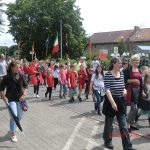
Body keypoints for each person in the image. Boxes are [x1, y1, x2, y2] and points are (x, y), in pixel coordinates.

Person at [102, 57, 136, 150]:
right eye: (119, 63)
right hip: (110, 102)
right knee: (109, 124)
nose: (121, 64)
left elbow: (123, 86)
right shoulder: (108, 74)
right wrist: (113, 103)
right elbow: (107, 90)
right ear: (113, 63)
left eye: (121, 63)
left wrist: (124, 90)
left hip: (120, 101)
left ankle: (127, 147)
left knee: (124, 126)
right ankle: (107, 141)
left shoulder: (121, 74)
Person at [0, 61, 28, 142]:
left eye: (19, 67)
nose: (18, 69)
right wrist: (4, 97)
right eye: (16, 67)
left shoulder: (21, 75)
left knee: (19, 116)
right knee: (14, 116)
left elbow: (25, 86)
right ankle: (13, 134)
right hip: (10, 99)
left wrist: (24, 94)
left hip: (20, 99)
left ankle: (13, 128)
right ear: (12, 67)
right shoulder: (6, 77)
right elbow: (1, 89)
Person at [124, 54, 142, 131]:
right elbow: (124, 80)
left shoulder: (139, 70)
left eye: (138, 61)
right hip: (131, 91)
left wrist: (143, 91)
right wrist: (133, 80)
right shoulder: (127, 70)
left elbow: (141, 81)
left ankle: (131, 123)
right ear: (132, 61)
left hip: (138, 91)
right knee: (134, 108)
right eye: (136, 61)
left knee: (137, 108)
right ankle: (127, 125)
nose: (137, 62)